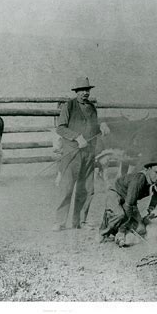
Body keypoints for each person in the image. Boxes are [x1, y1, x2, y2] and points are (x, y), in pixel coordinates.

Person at [53, 77, 109, 231]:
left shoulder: (92, 108)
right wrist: (76, 137)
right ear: (76, 92)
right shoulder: (69, 106)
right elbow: (61, 128)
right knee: (67, 188)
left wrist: (102, 126)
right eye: (82, 90)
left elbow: (94, 128)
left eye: (87, 90)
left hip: (89, 154)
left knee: (87, 189)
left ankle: (80, 222)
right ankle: (60, 221)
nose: (85, 93)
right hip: (72, 154)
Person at [98, 153, 157, 247]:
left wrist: (151, 206)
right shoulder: (139, 179)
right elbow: (128, 206)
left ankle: (116, 228)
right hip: (116, 192)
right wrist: (122, 230)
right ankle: (103, 232)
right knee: (120, 214)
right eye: (155, 172)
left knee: (141, 229)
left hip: (129, 199)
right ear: (148, 169)